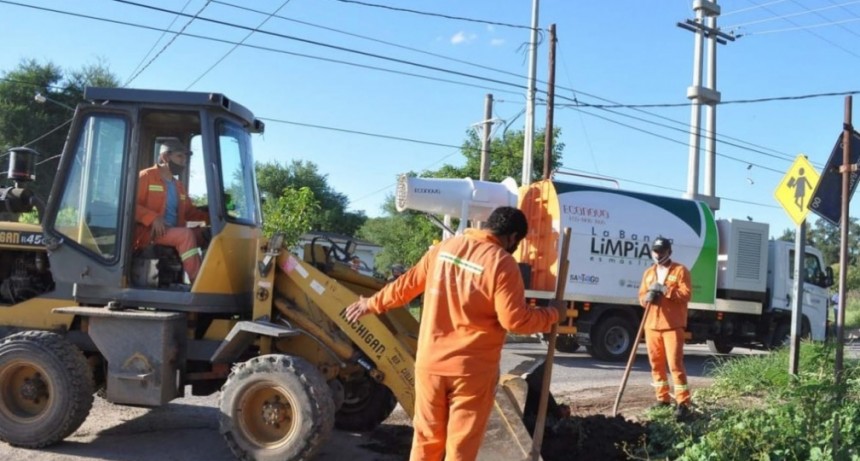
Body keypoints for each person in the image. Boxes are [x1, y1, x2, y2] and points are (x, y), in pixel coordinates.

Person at [344, 206, 564, 461]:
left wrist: (370, 304)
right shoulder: (502, 263)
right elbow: (515, 320)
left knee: (426, 439)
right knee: (461, 447)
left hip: (430, 366)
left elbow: (405, 287)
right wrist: (553, 314)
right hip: (471, 373)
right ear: (513, 237)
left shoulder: (444, 249)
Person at [135, 137, 209, 284]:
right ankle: (199, 284)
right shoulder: (145, 177)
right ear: (164, 157)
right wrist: (152, 218)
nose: (184, 161)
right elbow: (130, 206)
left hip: (174, 232)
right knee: (186, 235)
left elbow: (190, 212)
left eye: (185, 157)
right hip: (150, 233)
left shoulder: (178, 186)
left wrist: (213, 216)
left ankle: (211, 278)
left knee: (208, 233)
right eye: (179, 156)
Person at [638, 236, 693, 421]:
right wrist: (646, 299)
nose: (658, 254)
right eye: (655, 251)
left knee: (675, 365)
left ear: (669, 252)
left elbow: (685, 295)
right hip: (652, 325)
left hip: (672, 326)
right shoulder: (649, 273)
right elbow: (641, 296)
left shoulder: (680, 271)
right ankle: (662, 399)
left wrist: (665, 290)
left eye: (661, 251)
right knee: (656, 364)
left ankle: (683, 403)